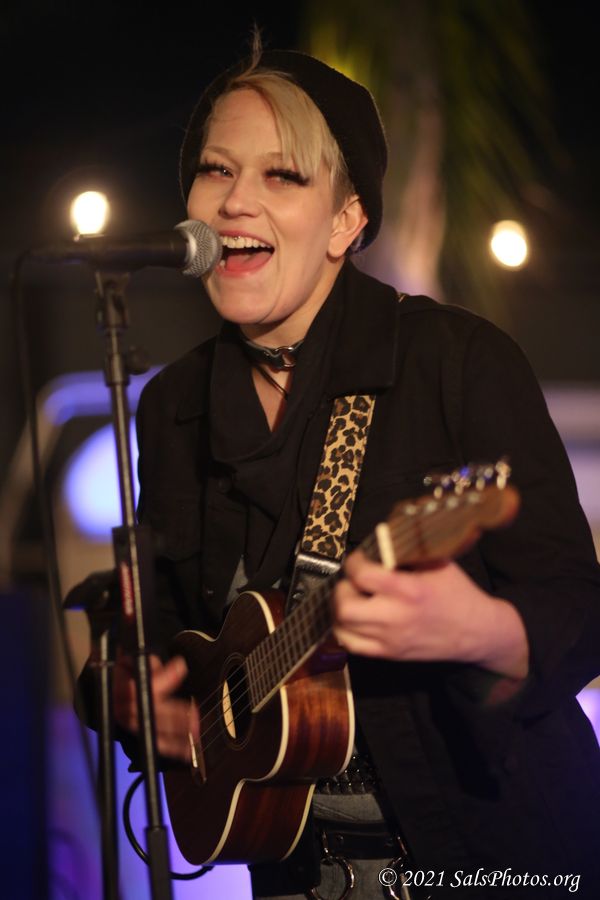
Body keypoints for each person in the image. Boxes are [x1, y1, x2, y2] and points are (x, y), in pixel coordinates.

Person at [91, 42, 600, 899]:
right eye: (217, 169)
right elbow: (167, 630)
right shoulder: (175, 406)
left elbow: (579, 607)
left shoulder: (455, 361)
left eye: (281, 175)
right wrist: (129, 693)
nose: (235, 200)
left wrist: (485, 630)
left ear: (346, 221)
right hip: (293, 872)